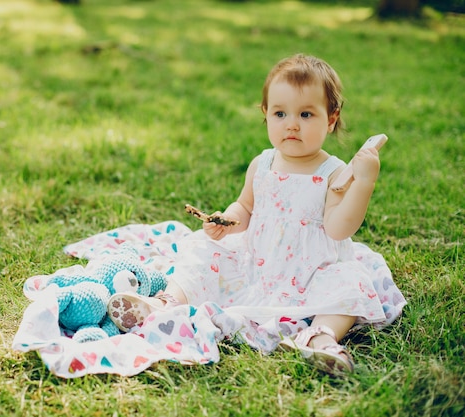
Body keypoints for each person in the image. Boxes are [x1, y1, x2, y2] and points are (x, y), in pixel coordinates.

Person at [107, 54, 406, 375]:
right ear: (266, 114)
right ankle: (164, 304)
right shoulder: (262, 164)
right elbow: (246, 208)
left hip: (311, 270)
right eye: (280, 113)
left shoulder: (333, 172)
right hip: (256, 259)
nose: (291, 123)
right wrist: (227, 221)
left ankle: (321, 337)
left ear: (331, 119)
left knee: (351, 281)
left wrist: (364, 182)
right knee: (203, 252)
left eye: (306, 114)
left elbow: (338, 229)